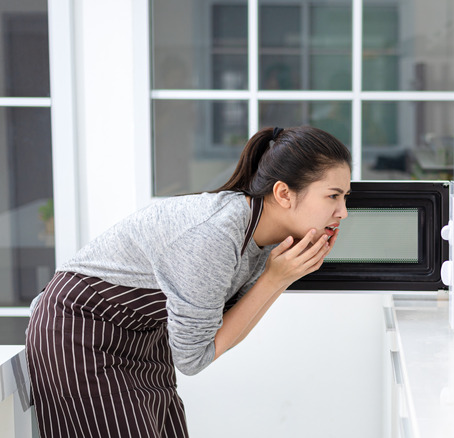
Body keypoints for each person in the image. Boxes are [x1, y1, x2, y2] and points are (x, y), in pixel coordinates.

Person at [25, 126, 351, 438]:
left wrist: (280, 277)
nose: (343, 212)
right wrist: (275, 280)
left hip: (143, 342)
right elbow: (195, 359)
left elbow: (221, 328)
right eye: (333, 196)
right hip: (82, 334)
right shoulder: (217, 235)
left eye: (345, 197)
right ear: (284, 193)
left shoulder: (262, 243)